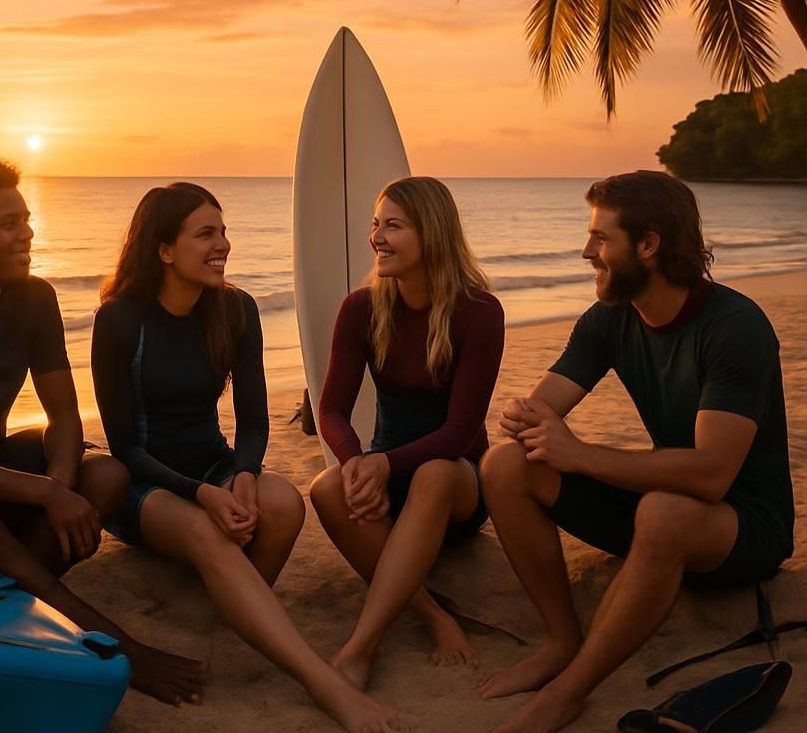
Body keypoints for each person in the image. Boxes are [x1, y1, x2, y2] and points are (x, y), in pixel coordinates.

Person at [0, 154, 208, 707]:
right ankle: (113, 641)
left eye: (27, 220)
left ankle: (4, 591)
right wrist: (48, 492)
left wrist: (62, 480)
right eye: (9, 224)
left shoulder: (35, 298)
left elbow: (65, 417)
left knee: (105, 476)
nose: (27, 233)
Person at [479, 171, 794, 733]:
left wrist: (577, 454)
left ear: (649, 245)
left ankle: (567, 694)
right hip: (661, 510)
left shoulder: (735, 327)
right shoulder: (610, 319)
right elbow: (543, 409)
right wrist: (526, 418)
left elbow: (712, 476)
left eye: (602, 239)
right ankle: (561, 639)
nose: (586, 252)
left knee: (663, 510)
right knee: (505, 464)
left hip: (742, 527)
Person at [92, 182, 403, 733]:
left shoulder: (235, 309)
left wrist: (241, 474)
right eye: (205, 234)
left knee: (285, 504)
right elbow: (125, 448)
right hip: (148, 486)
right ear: (164, 250)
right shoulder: (121, 320)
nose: (223, 244)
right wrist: (202, 494)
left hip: (213, 468)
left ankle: (230, 602)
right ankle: (323, 682)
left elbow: (254, 421)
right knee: (208, 532)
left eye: (224, 230)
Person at [310, 176, 505, 689]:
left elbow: (461, 430)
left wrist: (384, 464)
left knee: (435, 475)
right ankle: (435, 616)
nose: (377, 236)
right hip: (389, 476)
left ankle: (361, 647)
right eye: (375, 224)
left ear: (432, 233)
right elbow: (329, 408)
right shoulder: (361, 308)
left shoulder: (479, 312)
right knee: (326, 486)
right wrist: (355, 463)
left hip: (456, 485)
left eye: (393, 226)